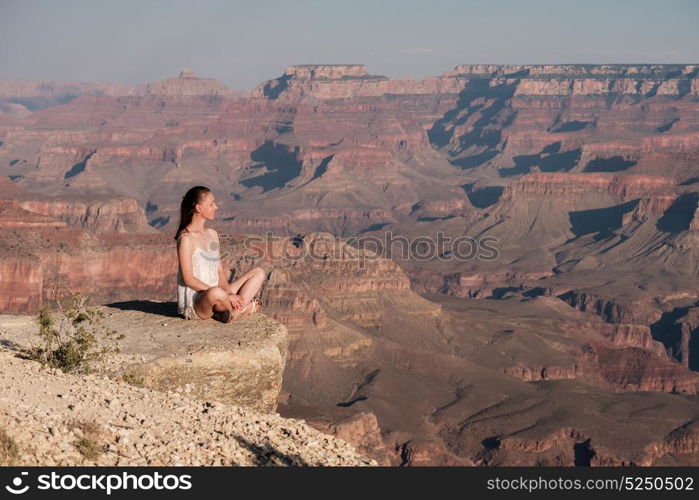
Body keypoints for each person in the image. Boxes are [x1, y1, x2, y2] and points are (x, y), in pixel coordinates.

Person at [175, 186, 265, 322]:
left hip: (219, 292)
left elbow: (219, 272)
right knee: (215, 292)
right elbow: (188, 279)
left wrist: (228, 292)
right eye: (211, 204)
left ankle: (235, 311)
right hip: (198, 300)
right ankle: (238, 310)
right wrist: (223, 293)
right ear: (199, 208)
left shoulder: (212, 234)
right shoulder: (186, 239)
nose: (215, 207)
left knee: (258, 272)